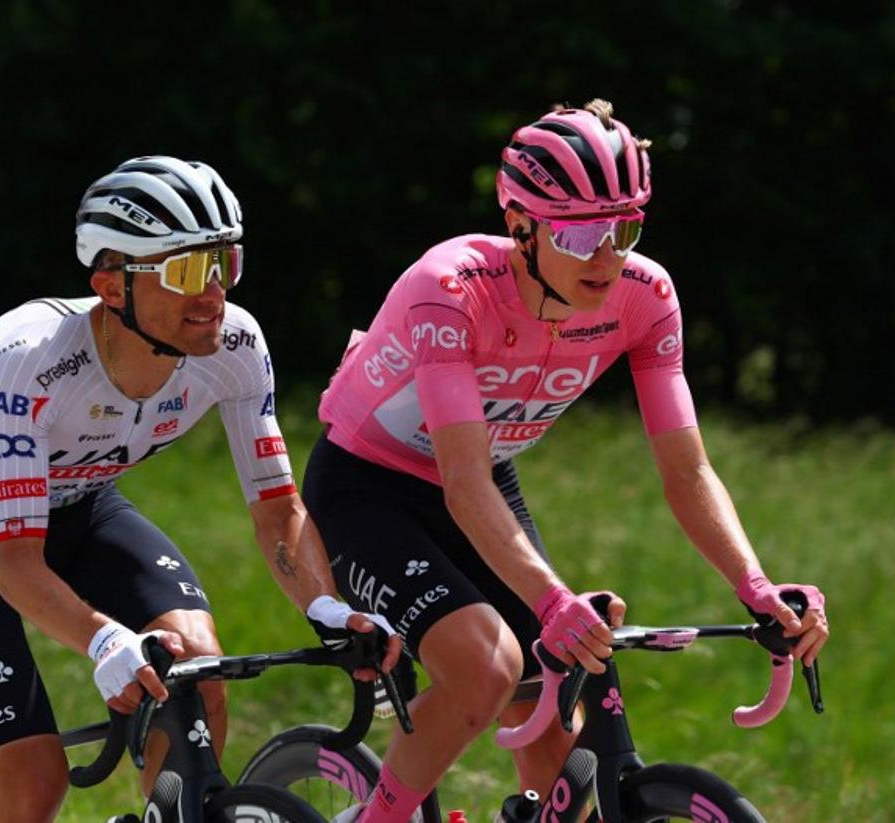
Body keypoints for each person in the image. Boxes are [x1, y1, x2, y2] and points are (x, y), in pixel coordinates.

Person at [304, 100, 830, 823]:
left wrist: (756, 584)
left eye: (625, 228)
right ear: (520, 225)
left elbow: (687, 471)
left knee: (559, 752)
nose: (608, 256)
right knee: (487, 666)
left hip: (486, 478)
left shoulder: (647, 298)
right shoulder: (449, 289)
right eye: (582, 233)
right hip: (370, 485)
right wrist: (551, 601)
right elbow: (461, 482)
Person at [0, 155, 400, 823]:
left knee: (199, 666)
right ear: (112, 286)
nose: (213, 292)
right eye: (187, 270)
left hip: (83, 506)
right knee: (33, 783)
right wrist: (105, 640)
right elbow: (15, 563)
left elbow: (279, 510)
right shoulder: (31, 361)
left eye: (224, 262)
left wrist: (329, 610)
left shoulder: (236, 346)